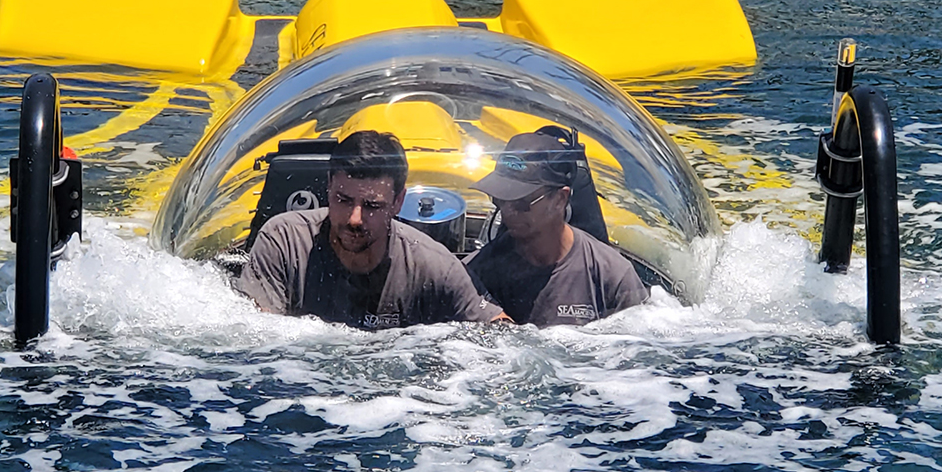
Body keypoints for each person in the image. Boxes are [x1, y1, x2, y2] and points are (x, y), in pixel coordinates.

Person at [236, 130, 504, 329]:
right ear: (329, 186)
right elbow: (257, 337)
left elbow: (501, 332)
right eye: (343, 200)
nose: (355, 218)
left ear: (398, 202)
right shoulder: (284, 241)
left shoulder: (434, 267)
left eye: (372, 206)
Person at [466, 131, 648, 326]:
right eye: (500, 199)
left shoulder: (613, 277)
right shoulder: (474, 274)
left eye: (521, 202)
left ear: (560, 199)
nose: (507, 211)